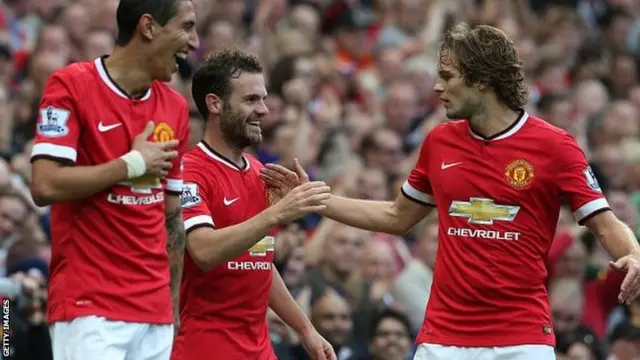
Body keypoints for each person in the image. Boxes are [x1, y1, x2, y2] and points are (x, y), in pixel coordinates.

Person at [261, 23, 640, 360]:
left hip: (521, 336)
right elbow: (396, 217)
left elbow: (605, 225)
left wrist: (634, 254)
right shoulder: (439, 142)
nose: (438, 87)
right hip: (444, 337)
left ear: (483, 81)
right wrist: (315, 198)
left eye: (448, 76)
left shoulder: (555, 146)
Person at [29, 0, 199, 359]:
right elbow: (45, 185)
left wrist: (172, 302)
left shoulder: (175, 107)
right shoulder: (70, 85)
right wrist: (131, 164)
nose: (195, 42)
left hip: (155, 313)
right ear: (148, 27)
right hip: (90, 306)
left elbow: (172, 216)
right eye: (186, 27)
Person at [171, 49, 336, 360]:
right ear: (214, 104)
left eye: (263, 99)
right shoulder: (189, 173)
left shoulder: (260, 171)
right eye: (250, 100)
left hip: (259, 347)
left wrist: (305, 329)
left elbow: (260, 262)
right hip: (205, 346)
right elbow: (204, 251)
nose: (263, 110)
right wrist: (278, 212)